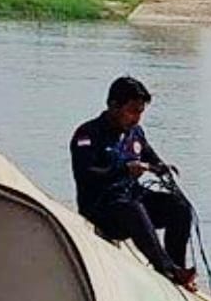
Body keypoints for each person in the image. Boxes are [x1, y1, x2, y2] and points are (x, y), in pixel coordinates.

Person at [70, 76, 196, 287]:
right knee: (133, 208)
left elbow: (148, 156)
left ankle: (178, 267)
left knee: (180, 208)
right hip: (102, 207)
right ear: (113, 105)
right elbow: (86, 174)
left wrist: (160, 167)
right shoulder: (88, 134)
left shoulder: (135, 133)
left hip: (131, 195)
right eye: (132, 112)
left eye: (140, 113)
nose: (136, 119)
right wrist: (122, 170)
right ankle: (167, 270)